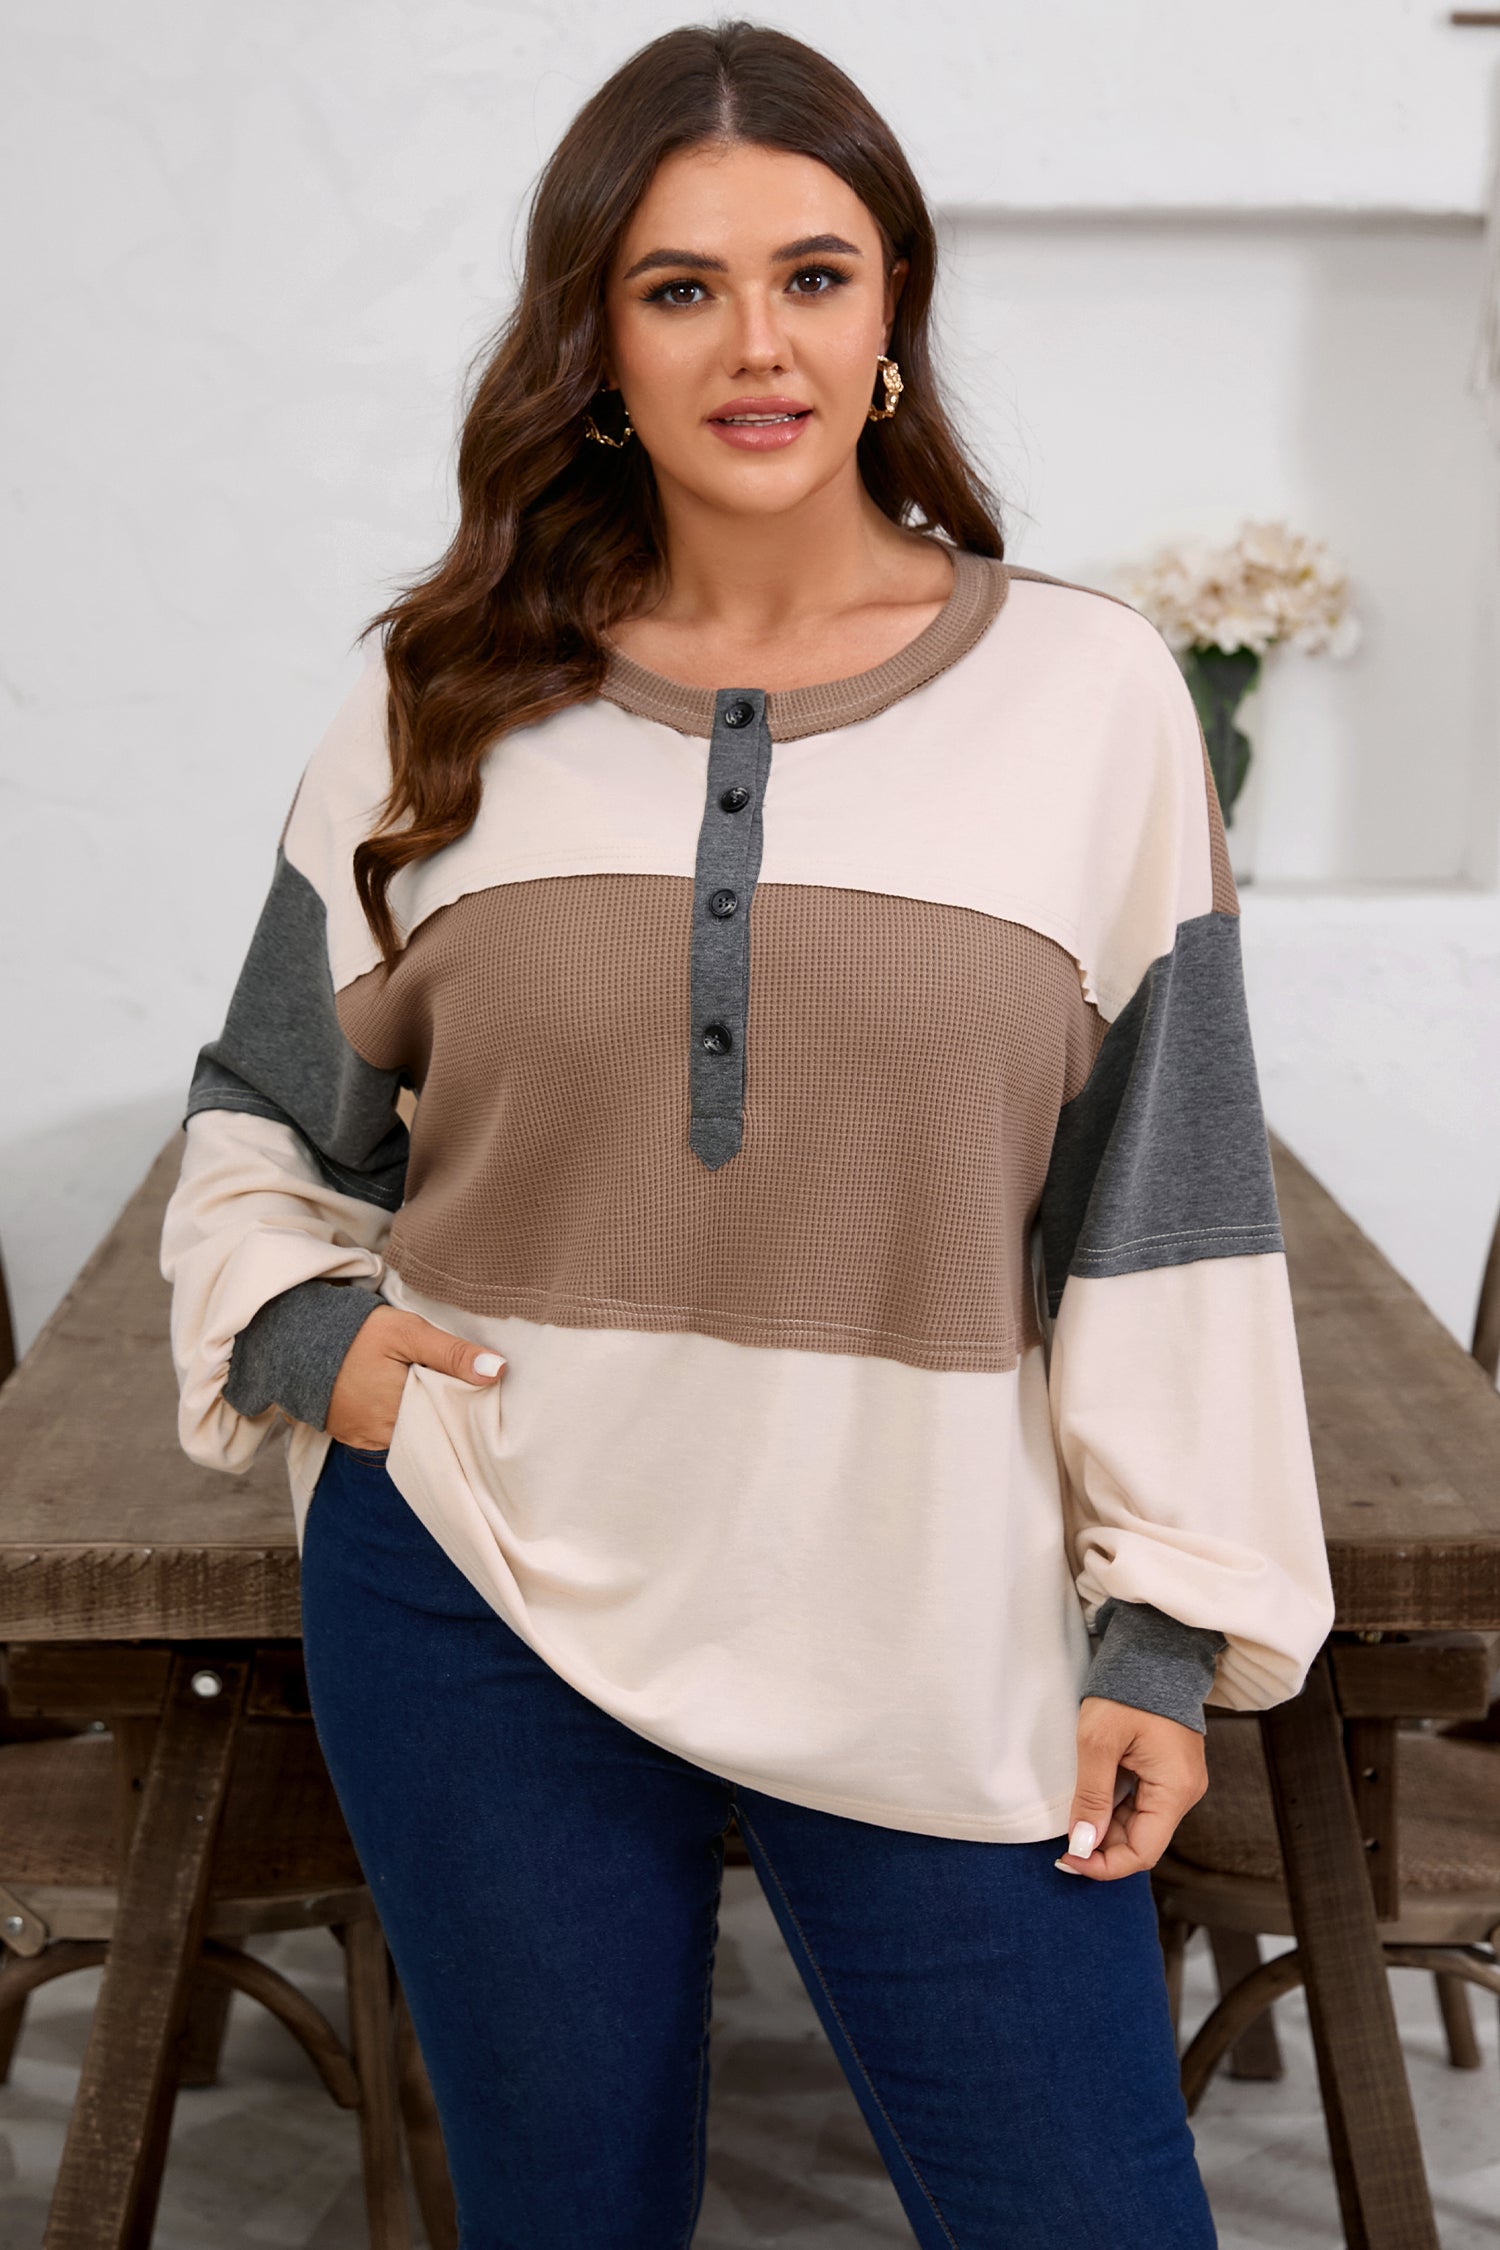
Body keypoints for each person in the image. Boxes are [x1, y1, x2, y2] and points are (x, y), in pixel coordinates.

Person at [159, 20, 1336, 2246]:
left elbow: (1164, 1211)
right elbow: (268, 1117)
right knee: (567, 2217)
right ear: (595, 341)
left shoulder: (1092, 700)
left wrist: (1162, 1634)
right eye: (679, 286)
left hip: (931, 1603)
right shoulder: (438, 696)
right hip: (482, 1587)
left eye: (813, 275)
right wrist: (323, 1346)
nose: (756, 343)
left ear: (894, 314)